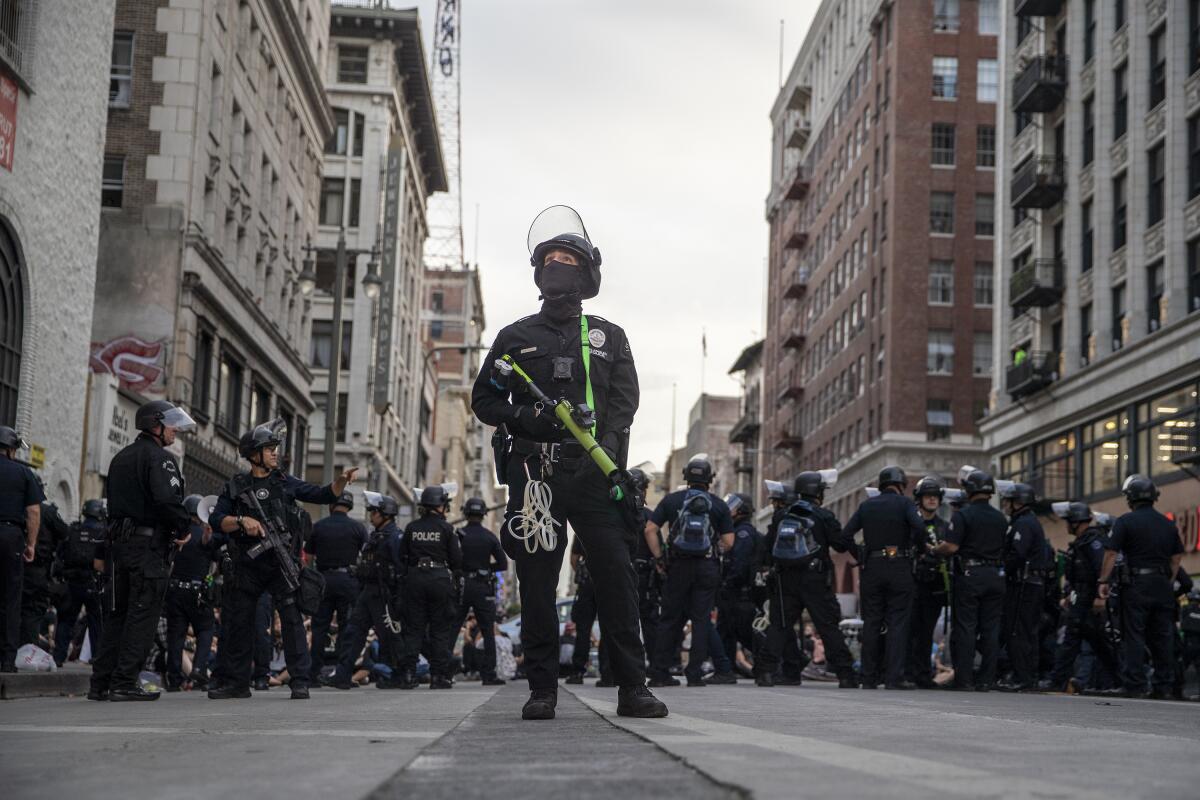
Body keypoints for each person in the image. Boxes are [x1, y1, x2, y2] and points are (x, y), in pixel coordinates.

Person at [471, 205, 666, 720]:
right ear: (539, 272)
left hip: (595, 474)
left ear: (586, 274)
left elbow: (625, 405)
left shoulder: (608, 336)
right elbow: (484, 401)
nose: (558, 265)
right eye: (550, 259)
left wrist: (603, 449)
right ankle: (542, 690)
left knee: (617, 578)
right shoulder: (514, 337)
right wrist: (531, 416)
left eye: (568, 259)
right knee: (537, 582)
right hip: (536, 473)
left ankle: (633, 688)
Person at [207, 419, 355, 700]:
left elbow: (321, 494)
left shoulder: (285, 481)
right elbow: (216, 520)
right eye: (269, 448)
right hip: (247, 565)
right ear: (254, 454)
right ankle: (237, 682)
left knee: (291, 619)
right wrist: (241, 521)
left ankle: (300, 679)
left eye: (275, 448)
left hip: (279, 563)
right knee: (240, 622)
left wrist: (342, 480)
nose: (275, 453)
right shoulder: (236, 485)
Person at [89, 400, 195, 701]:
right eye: (170, 424)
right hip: (147, 549)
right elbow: (166, 501)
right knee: (143, 615)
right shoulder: (160, 458)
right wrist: (184, 528)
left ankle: (100, 683)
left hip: (119, 547)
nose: (175, 429)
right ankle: (124, 682)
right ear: (155, 426)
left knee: (117, 614)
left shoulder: (121, 457)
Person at [759, 471, 858, 689]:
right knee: (828, 627)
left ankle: (766, 673)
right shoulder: (823, 516)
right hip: (815, 579)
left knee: (779, 626)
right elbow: (840, 545)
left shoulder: (781, 516)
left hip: (785, 580)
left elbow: (767, 547)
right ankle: (845, 674)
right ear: (817, 493)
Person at [644, 456, 736, 687]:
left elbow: (650, 530)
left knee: (669, 619)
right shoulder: (718, 505)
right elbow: (729, 541)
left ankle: (659, 673)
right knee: (701, 619)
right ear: (709, 480)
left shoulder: (672, 500)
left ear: (686, 476)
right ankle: (694, 674)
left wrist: (659, 558)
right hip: (707, 567)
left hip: (677, 565)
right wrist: (713, 550)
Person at [1097, 475, 1184, 699]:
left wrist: (1104, 581)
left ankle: (1134, 684)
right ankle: (1163, 685)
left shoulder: (1125, 522)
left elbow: (1111, 553)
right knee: (1163, 636)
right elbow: (1176, 557)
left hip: (1136, 586)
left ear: (1131, 499)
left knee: (1134, 635)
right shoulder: (1167, 523)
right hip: (1162, 585)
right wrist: (1169, 580)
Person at [844, 466, 924, 689]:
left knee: (871, 622)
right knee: (898, 623)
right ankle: (893, 677)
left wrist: (859, 555)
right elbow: (919, 528)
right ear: (901, 485)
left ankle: (868, 677)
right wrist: (917, 548)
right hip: (899, 566)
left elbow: (845, 535)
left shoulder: (867, 505)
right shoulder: (906, 504)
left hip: (872, 568)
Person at [930, 469, 1007, 692]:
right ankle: (986, 679)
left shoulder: (963, 515)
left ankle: (964, 680)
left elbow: (952, 547)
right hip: (995, 576)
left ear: (969, 490)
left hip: (971, 576)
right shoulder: (1000, 518)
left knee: (966, 628)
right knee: (991, 629)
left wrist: (935, 549)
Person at [1044, 502, 1119, 693]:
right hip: (1081, 600)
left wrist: (1098, 599)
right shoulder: (1082, 542)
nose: (1067, 525)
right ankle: (1057, 680)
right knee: (1081, 641)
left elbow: (1100, 571)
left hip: (1089, 601)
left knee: (1094, 643)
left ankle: (1122, 679)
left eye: (1069, 521)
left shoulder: (1093, 542)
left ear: (1077, 522)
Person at [332, 491, 403, 689]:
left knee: (389, 636)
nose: (370, 515)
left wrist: (397, 598)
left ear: (385, 514)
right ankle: (342, 674)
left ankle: (397, 674)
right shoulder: (375, 536)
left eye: (374, 512)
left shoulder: (395, 537)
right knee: (353, 633)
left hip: (383, 594)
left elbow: (400, 569)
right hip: (368, 592)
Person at [397, 485, 462, 690]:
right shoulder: (447, 529)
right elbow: (456, 561)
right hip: (439, 579)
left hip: (415, 579)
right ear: (440, 505)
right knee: (440, 630)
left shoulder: (412, 527)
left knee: (413, 629)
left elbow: (401, 557)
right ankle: (438, 676)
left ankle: (408, 674)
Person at [305, 491, 367, 686]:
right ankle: (341, 674)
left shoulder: (320, 526)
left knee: (319, 628)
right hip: (348, 581)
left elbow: (309, 553)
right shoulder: (358, 528)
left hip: (323, 580)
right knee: (347, 627)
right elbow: (365, 554)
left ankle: (313, 674)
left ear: (332, 506)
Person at [163, 495, 222, 691]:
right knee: (206, 630)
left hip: (175, 590)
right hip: (197, 592)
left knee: (176, 635)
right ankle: (198, 668)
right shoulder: (204, 535)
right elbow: (218, 559)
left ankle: (173, 677)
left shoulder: (178, 534)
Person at [998, 483, 1050, 692]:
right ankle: (1026, 675)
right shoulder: (1026, 521)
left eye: (1008, 501)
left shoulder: (1024, 524)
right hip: (1029, 584)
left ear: (1017, 503)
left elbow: (1017, 554)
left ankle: (1024, 676)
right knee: (1025, 630)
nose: (1005, 505)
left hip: (1024, 585)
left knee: (1019, 630)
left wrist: (1001, 569)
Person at [0, 426, 41, 672]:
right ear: (12, 450)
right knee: (10, 598)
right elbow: (34, 511)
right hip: (9, 535)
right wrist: (31, 544)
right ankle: (6, 659)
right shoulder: (23, 473)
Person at [457, 497, 508, 686]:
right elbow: (502, 564)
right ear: (484, 514)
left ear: (466, 513)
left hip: (463, 586)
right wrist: (486, 569)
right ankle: (489, 674)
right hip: (483, 587)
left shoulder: (459, 534)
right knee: (487, 630)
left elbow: (452, 559)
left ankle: (442, 673)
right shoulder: (489, 536)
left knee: (453, 626)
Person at [908, 477, 950, 689]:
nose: (932, 499)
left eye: (935, 496)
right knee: (909, 630)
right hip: (912, 584)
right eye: (928, 496)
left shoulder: (944, 526)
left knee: (926, 633)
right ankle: (907, 673)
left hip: (935, 586)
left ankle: (923, 675)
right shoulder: (911, 523)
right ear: (919, 499)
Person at [53, 499, 106, 667]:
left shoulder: (73, 530)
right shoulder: (102, 532)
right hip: (93, 582)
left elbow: (60, 555)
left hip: (72, 582)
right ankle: (97, 658)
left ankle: (58, 657)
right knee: (95, 622)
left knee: (66, 620)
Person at [716, 493, 761, 682]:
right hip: (735, 593)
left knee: (741, 631)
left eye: (733, 507)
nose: (729, 510)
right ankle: (728, 668)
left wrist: (727, 582)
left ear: (742, 510)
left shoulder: (743, 532)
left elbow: (740, 563)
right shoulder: (736, 531)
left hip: (739, 593)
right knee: (727, 631)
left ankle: (768, 664)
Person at [23, 498, 70, 649]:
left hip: (15, 565)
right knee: (34, 607)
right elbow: (64, 532)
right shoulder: (47, 511)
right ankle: (27, 647)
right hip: (37, 567)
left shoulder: (11, 506)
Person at [628, 468, 661, 669]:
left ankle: (610, 671)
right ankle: (656, 667)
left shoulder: (616, 512)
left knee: (619, 620)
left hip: (622, 572)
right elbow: (658, 544)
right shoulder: (649, 517)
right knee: (649, 622)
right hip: (644, 574)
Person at [565, 535, 600, 684]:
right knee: (610, 627)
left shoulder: (582, 526)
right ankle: (608, 672)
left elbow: (574, 559)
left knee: (583, 631)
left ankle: (578, 672)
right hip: (608, 580)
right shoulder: (610, 522)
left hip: (587, 585)